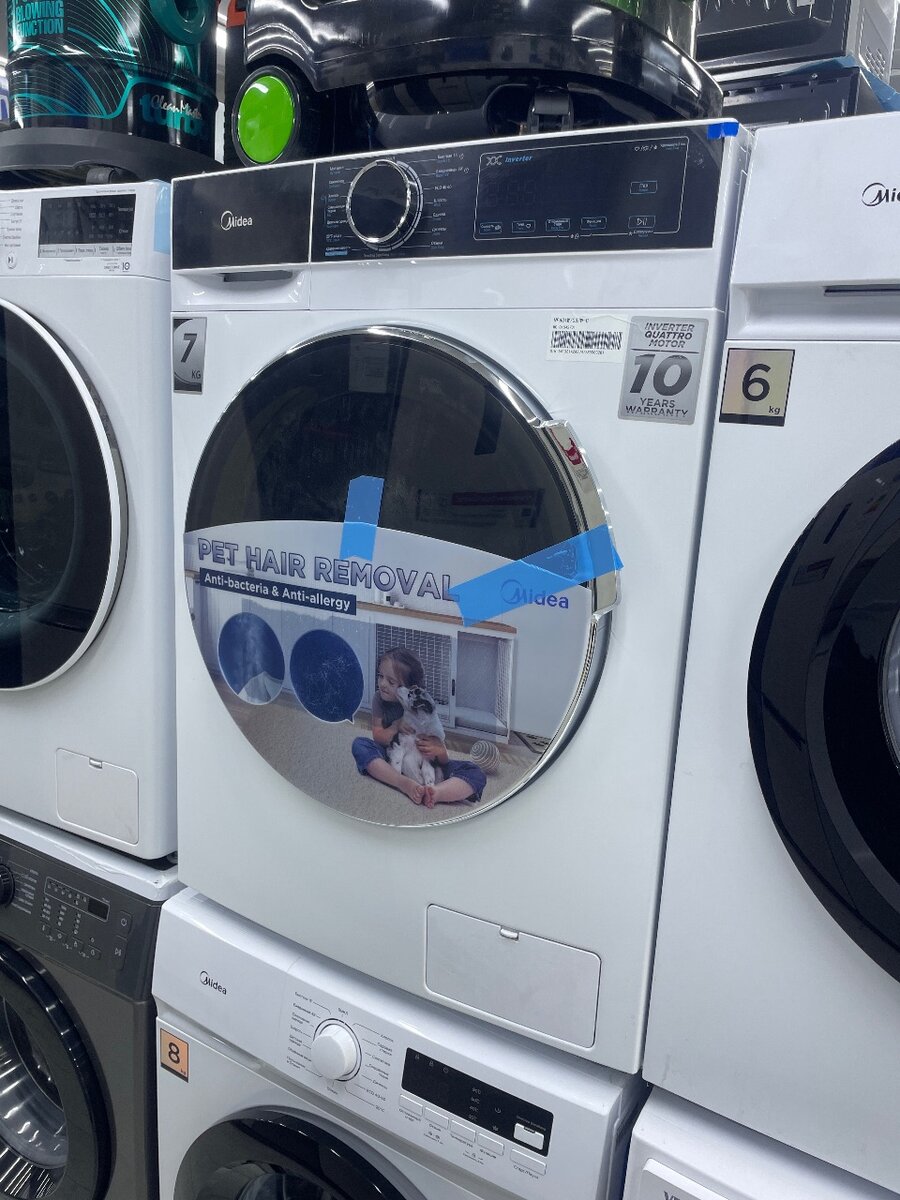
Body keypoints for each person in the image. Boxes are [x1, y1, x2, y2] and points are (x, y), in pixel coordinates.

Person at [351, 646, 486, 809]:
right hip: (390, 757)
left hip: (427, 763)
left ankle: (436, 792)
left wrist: (440, 751)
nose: (383, 684)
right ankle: (401, 782)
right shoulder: (379, 699)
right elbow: (378, 736)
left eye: (391, 681)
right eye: (380, 676)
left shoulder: (423, 705)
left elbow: (441, 758)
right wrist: (396, 726)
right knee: (360, 745)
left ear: (410, 687)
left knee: (475, 772)